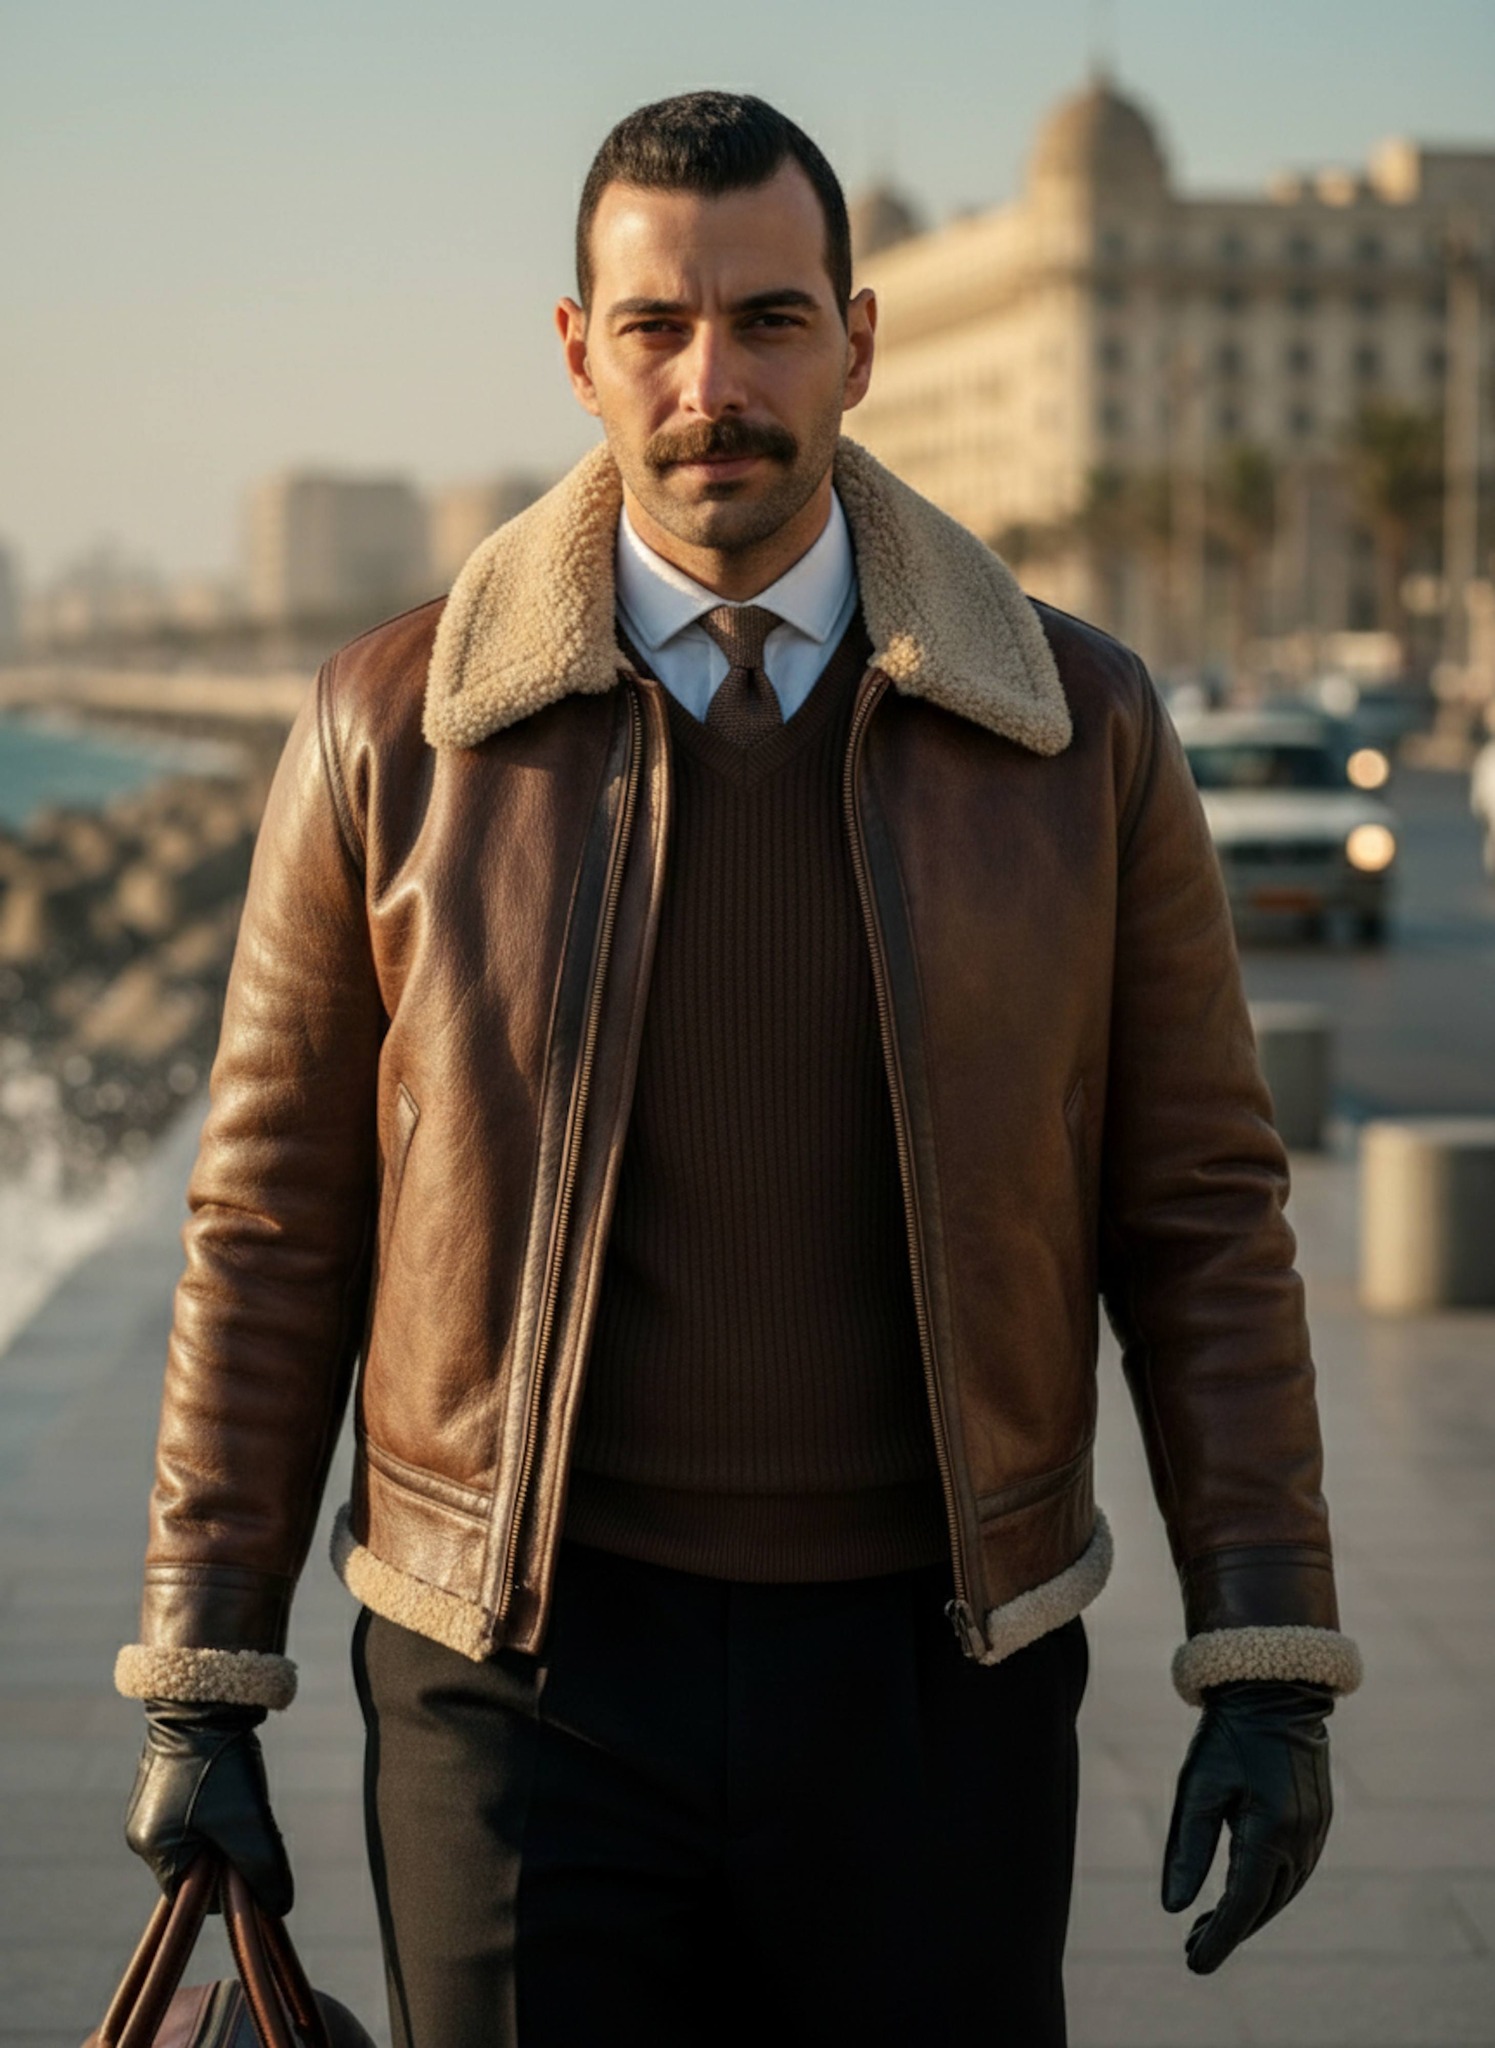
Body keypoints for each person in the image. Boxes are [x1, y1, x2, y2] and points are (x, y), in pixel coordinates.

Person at [116, 90, 1360, 2047]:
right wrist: (205, 1665)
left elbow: (1199, 1199)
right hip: (511, 1683)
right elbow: (271, 1214)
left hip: (935, 1670)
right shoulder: (391, 727)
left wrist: (1263, 1641)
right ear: (576, 351)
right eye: (659, 329)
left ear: (860, 340)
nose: (716, 385)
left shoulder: (1073, 725)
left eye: (772, 321)